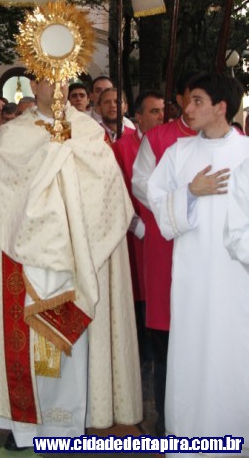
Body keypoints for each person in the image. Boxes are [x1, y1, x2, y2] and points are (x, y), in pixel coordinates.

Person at [0, 79, 142, 448]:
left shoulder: (89, 132)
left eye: (64, 77)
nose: (58, 86)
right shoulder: (14, 134)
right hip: (26, 256)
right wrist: (52, 156)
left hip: (80, 257)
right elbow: (5, 195)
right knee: (27, 343)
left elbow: (109, 191)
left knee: (76, 350)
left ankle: (71, 426)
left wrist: (65, 160)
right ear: (34, 83)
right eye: (49, 78)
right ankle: (24, 429)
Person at [147, 73, 249, 453]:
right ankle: (191, 438)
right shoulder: (179, 154)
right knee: (192, 352)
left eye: (197, 101)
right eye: (189, 101)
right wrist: (190, 192)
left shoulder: (247, 152)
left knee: (235, 354)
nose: (187, 108)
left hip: (238, 278)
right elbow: (158, 203)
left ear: (221, 107)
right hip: (193, 275)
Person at [132, 73, 197, 436]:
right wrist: (180, 204)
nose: (194, 106)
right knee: (165, 341)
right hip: (164, 246)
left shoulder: (227, 142)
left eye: (202, 100)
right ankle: (166, 421)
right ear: (181, 99)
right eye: (191, 98)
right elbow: (141, 184)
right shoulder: (157, 139)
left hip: (206, 254)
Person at [112, 90, 164, 356]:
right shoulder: (121, 148)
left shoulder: (172, 145)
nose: (161, 116)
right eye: (154, 111)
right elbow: (116, 195)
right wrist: (140, 228)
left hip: (165, 235)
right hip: (135, 236)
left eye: (163, 111)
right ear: (138, 117)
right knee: (138, 302)